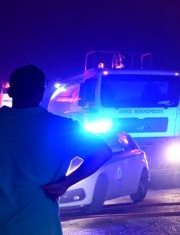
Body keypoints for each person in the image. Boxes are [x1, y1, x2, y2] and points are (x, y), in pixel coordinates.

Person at [0, 64, 112, 234]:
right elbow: (103, 152)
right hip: (39, 224)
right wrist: (65, 183)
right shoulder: (62, 128)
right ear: (41, 93)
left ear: (10, 91)